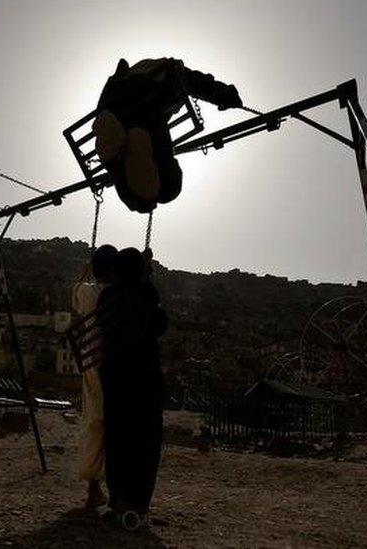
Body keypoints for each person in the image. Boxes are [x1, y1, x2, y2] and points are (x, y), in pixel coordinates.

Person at [92, 58, 242, 214]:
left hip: (113, 104)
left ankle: (120, 163)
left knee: (153, 186)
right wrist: (228, 96)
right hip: (147, 107)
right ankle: (122, 167)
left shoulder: (131, 74)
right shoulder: (174, 71)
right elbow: (202, 83)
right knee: (168, 189)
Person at [97, 247, 168, 530]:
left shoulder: (107, 297)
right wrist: (146, 281)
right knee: (145, 443)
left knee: (117, 439)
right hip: (143, 382)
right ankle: (137, 503)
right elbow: (159, 324)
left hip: (114, 380)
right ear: (140, 273)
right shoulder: (147, 299)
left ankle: (117, 499)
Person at [72, 244, 118, 510]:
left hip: (90, 365)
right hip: (111, 365)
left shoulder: (85, 291)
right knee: (113, 425)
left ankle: (93, 488)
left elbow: (77, 294)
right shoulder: (114, 294)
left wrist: (84, 273)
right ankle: (112, 489)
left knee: (94, 421)